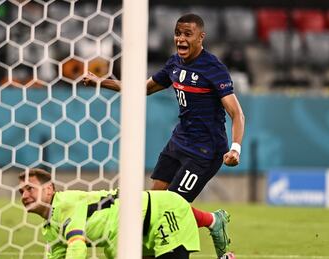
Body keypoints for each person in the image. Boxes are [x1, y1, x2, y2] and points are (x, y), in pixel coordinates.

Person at [83, 13, 244, 259]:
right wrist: (100, 82)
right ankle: (213, 221)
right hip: (178, 143)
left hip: (205, 152)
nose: (180, 39)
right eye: (178, 33)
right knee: (151, 206)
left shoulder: (213, 68)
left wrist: (235, 149)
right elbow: (142, 89)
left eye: (187, 34)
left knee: (169, 209)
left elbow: (237, 114)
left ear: (201, 37)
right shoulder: (174, 64)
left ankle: (200, 235)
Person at [18, 168, 200, 259]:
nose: (24, 196)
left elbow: (77, 248)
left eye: (30, 189)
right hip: (130, 235)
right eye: (21, 192)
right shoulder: (50, 227)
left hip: (162, 213)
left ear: (49, 189)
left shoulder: (65, 205)